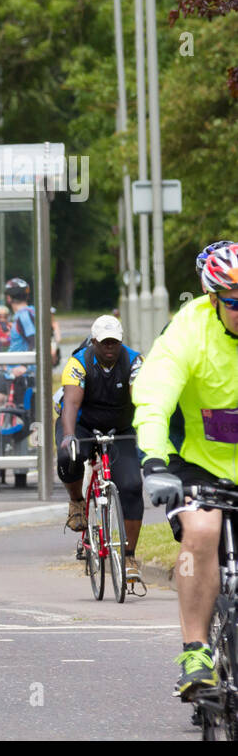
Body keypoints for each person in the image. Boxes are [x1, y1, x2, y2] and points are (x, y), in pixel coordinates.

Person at [134, 242, 238, 699]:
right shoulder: (189, 329)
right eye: (233, 301)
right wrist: (154, 460)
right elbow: (155, 395)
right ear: (213, 297)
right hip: (195, 462)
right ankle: (195, 651)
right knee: (201, 531)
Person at [56, 315, 144, 585]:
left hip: (120, 428)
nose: (109, 348)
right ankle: (77, 503)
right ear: (93, 342)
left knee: (130, 486)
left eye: (114, 343)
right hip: (82, 423)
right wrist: (69, 435)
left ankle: (128, 556)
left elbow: (140, 398)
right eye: (104, 343)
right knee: (68, 457)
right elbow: (70, 404)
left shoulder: (134, 361)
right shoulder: (78, 362)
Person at [0, 278, 36, 419]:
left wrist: (24, 366)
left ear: (9, 298)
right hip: (9, 371)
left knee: (22, 418)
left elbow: (34, 340)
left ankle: (6, 440)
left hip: (20, 375)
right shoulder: (24, 314)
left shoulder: (24, 315)